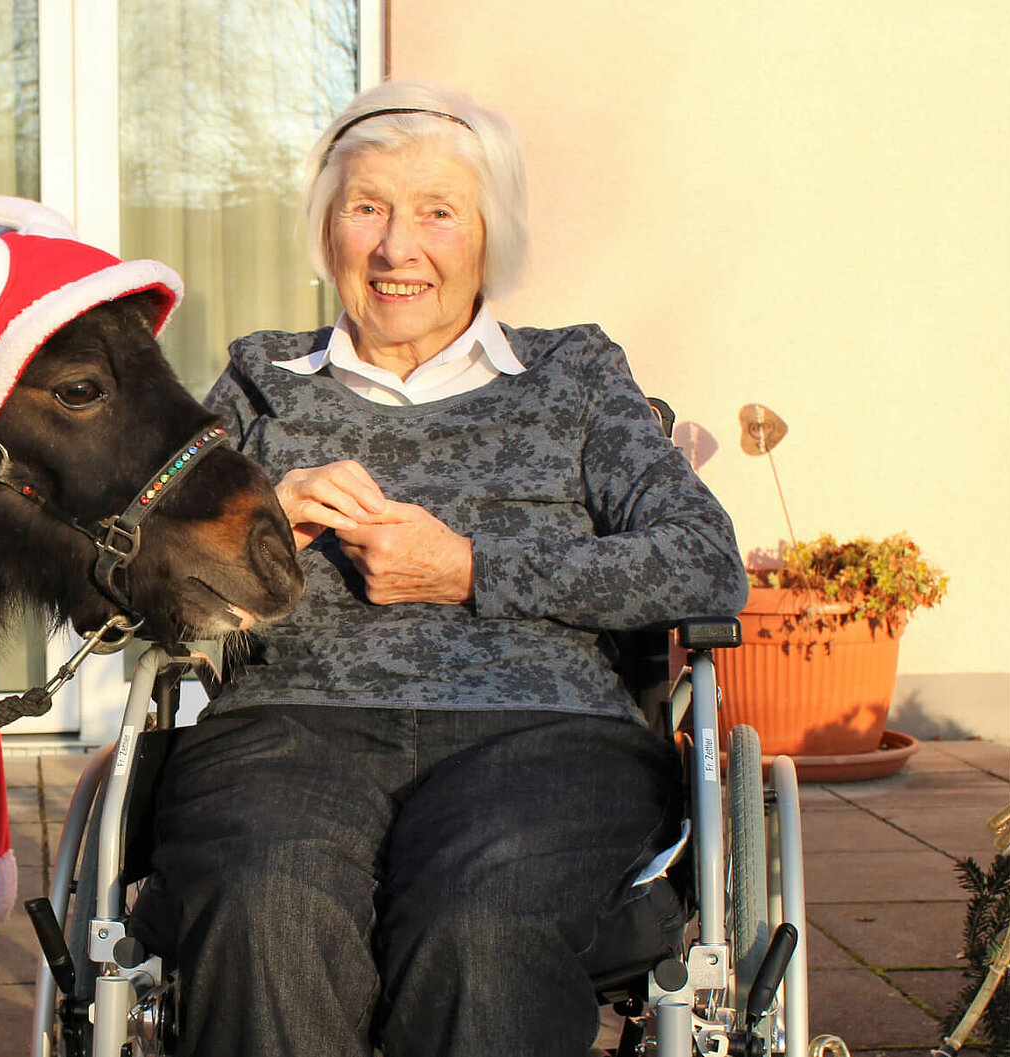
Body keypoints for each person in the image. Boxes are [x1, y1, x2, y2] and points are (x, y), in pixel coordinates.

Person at [135, 80, 749, 1057]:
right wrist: (255, 526)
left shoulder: (574, 375)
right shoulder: (260, 380)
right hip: (289, 727)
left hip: (548, 734)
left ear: (488, 237)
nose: (395, 247)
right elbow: (135, 577)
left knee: (478, 916)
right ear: (327, 227)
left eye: (436, 212)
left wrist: (469, 566)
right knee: (263, 898)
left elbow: (705, 562)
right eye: (367, 207)